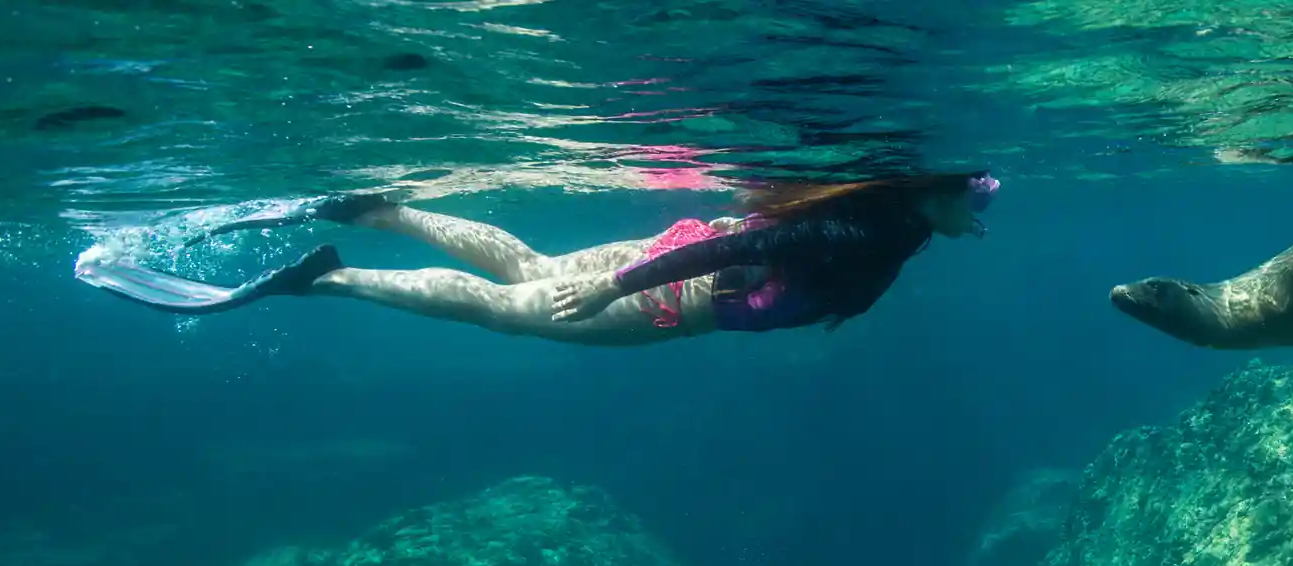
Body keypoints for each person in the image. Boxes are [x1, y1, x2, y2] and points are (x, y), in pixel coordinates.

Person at [74, 172, 1000, 346]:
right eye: (983, 195)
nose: (988, 210)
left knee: (524, 264)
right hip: (676, 296)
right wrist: (611, 291)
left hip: (675, 267)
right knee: (496, 305)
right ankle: (329, 277)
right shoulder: (875, 223)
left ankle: (386, 211)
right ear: (942, 188)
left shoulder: (892, 215)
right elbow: (748, 243)